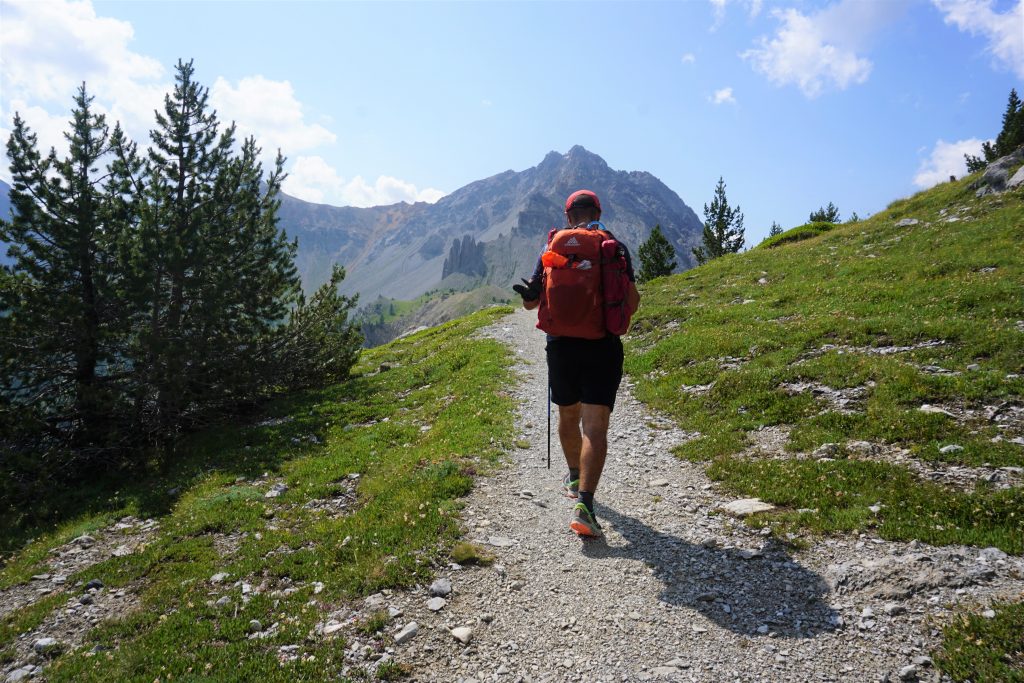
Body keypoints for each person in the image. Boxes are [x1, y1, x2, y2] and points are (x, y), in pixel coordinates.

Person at [513, 190, 640, 537]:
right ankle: (585, 504)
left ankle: (572, 475)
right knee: (595, 428)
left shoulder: (552, 247)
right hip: (602, 346)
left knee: (567, 415)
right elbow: (632, 300)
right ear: (599, 211)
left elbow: (531, 304)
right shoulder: (612, 246)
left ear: (568, 217)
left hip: (561, 348)